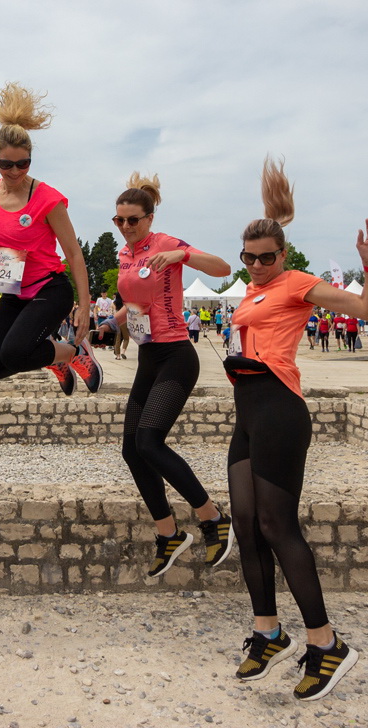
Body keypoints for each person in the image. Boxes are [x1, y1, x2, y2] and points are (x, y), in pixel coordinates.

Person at [225, 158, 368, 701]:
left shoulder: (298, 283)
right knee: (246, 524)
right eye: (248, 257)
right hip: (248, 412)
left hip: (279, 409)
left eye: (266, 257)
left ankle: (326, 643)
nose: (256, 265)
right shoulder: (249, 291)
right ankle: (268, 632)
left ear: (284, 255)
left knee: (277, 526)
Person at [96, 172, 234, 577]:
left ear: (150, 218)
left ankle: (213, 519)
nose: (125, 226)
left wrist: (180, 256)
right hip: (148, 357)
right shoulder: (125, 255)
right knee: (131, 449)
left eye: (132, 220)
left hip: (176, 356)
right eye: (118, 220)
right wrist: (109, 323)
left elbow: (223, 268)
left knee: (149, 442)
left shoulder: (166, 243)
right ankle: (169, 534)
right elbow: (137, 304)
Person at [0, 82, 100, 396]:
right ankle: (54, 356)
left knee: (14, 353)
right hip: (14, 291)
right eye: (6, 164)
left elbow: (74, 253)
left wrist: (84, 307)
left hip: (49, 289)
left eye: (23, 163)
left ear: (30, 159)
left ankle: (73, 352)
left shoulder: (48, 199)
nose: (15, 171)